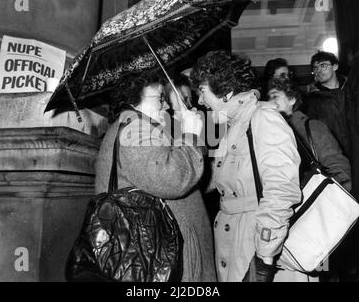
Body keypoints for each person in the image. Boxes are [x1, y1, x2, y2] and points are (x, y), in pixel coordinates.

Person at [191, 51, 302, 282]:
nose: (200, 101)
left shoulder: (263, 117)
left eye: (202, 91)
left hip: (252, 245)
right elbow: (214, 181)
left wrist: (264, 258)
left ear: (226, 91)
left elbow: (281, 190)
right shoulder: (233, 126)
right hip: (236, 241)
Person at [94, 71, 217, 282]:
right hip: (165, 259)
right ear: (134, 99)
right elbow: (172, 180)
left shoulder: (138, 127)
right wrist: (190, 135)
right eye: (160, 98)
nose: (166, 105)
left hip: (163, 252)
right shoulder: (134, 128)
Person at [267, 78, 351, 192]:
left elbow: (338, 167)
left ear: (292, 99)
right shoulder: (270, 132)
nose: (269, 103)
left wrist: (324, 194)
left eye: (275, 96)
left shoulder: (312, 127)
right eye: (267, 98)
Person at [304, 51, 349, 157]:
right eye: (315, 68)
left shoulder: (351, 91)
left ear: (335, 67)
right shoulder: (311, 100)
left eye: (323, 65)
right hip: (333, 155)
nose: (318, 70)